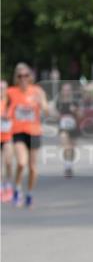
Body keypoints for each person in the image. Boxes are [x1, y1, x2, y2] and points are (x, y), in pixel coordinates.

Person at [7, 63, 49, 208]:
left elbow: (46, 111)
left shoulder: (37, 91)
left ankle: (30, 193)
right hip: (18, 131)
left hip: (34, 132)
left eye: (26, 75)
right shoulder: (11, 92)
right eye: (20, 76)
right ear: (16, 78)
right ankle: (17, 187)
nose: (23, 78)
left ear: (30, 77)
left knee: (33, 167)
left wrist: (41, 104)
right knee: (21, 162)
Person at [56, 82, 80, 177]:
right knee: (66, 147)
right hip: (63, 128)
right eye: (65, 90)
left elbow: (80, 115)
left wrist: (76, 111)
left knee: (72, 148)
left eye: (68, 90)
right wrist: (57, 116)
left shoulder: (75, 102)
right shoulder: (59, 102)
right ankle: (67, 166)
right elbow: (54, 114)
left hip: (74, 128)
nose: (66, 92)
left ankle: (70, 165)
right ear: (62, 91)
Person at [1, 80, 14, 202]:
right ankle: (1, 188)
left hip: (8, 137)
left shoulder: (10, 102)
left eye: (3, 88)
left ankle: (9, 185)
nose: (1, 91)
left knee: (8, 162)